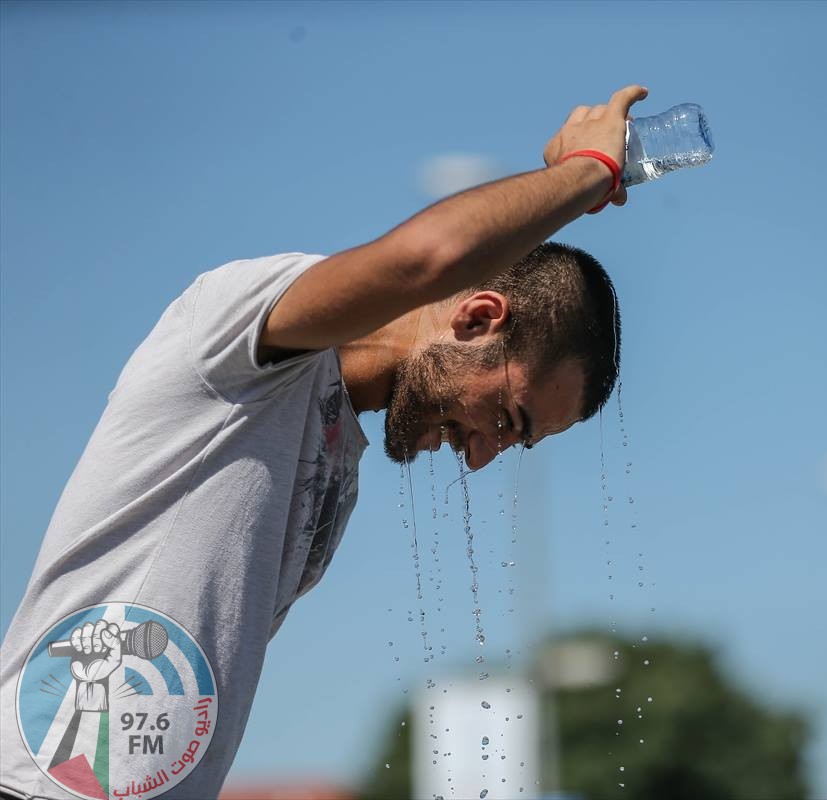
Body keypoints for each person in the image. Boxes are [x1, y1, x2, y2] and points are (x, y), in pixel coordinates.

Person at [0, 84, 648, 800]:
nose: (482, 454)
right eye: (509, 417)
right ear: (478, 318)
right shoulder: (241, 343)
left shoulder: (339, 460)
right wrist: (590, 169)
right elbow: (428, 258)